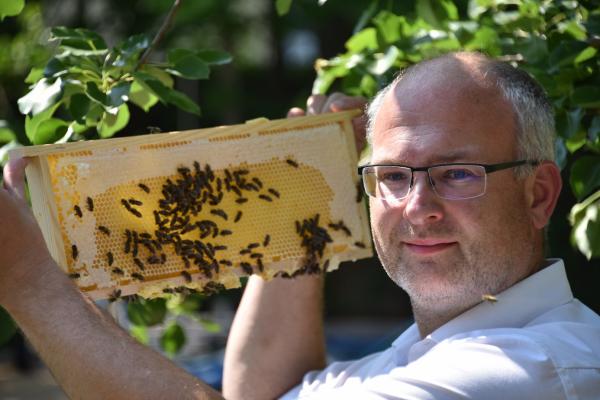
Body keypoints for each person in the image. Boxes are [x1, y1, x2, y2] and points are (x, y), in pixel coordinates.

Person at [0, 51, 597, 400]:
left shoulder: (528, 369)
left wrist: (30, 283)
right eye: (391, 176)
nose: (418, 206)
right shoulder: (411, 358)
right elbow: (260, 392)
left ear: (539, 195)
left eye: (458, 173)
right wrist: (301, 195)